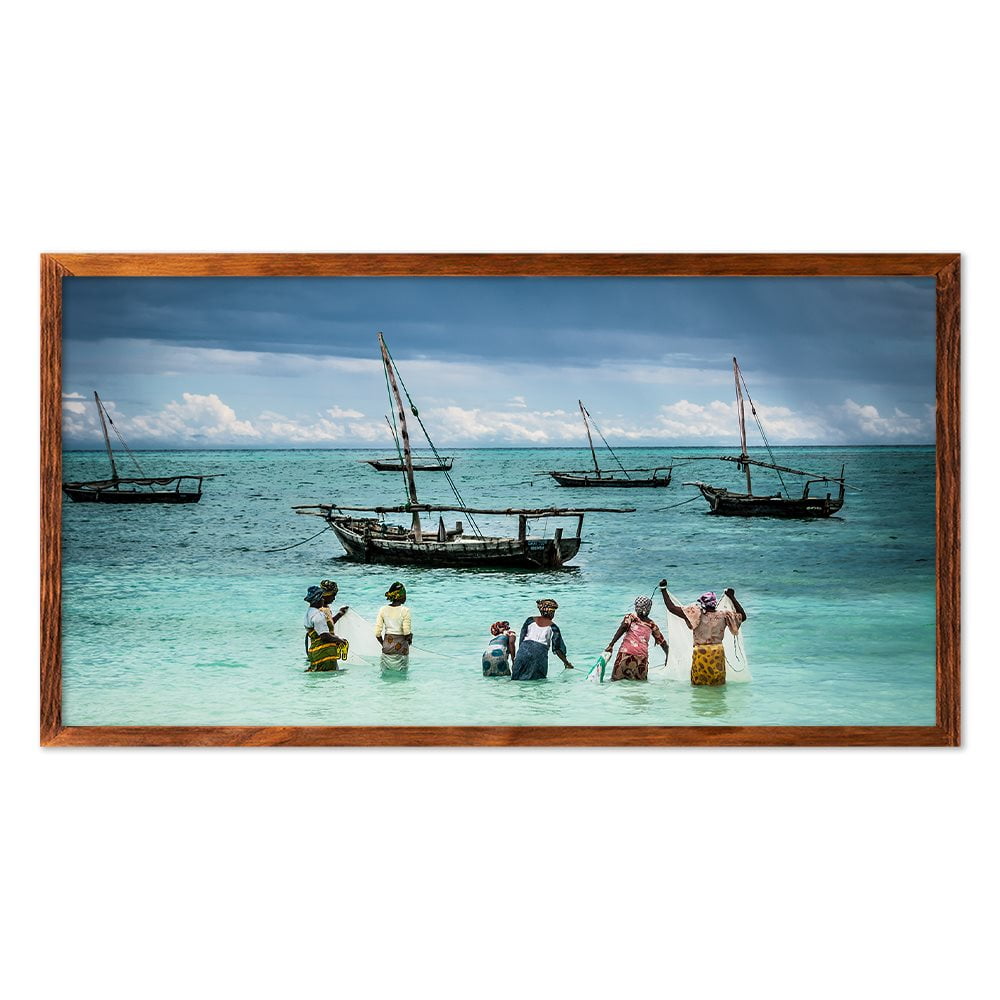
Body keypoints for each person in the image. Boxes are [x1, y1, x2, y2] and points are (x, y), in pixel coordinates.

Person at [659, 579, 747, 686]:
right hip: (717, 654)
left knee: (698, 687)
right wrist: (732, 597)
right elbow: (743, 616)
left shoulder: (696, 615)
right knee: (717, 687)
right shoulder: (724, 616)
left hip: (701, 654)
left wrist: (663, 590)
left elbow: (671, 608)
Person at [604, 595, 669, 681]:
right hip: (641, 659)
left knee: (615, 681)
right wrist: (668, 655)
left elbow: (623, 627)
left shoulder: (631, 617)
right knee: (639, 685)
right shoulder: (652, 625)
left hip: (626, 654)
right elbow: (662, 642)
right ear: (648, 609)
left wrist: (611, 645)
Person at [511, 599, 573, 680]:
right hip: (539, 656)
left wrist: (519, 656)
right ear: (552, 613)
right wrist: (566, 663)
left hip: (523, 651)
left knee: (516, 680)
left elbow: (522, 639)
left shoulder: (529, 620)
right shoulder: (553, 627)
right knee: (537, 684)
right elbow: (558, 649)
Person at [303, 584, 348, 671]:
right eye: (321, 598)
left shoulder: (309, 613)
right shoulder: (318, 615)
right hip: (324, 653)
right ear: (318, 600)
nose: (323, 600)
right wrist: (340, 640)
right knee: (331, 680)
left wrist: (339, 614)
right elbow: (324, 636)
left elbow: (323, 629)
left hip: (315, 652)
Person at [374, 581, 412, 672]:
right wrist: (410, 639)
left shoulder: (383, 610)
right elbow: (406, 632)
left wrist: (384, 644)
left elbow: (377, 633)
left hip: (387, 646)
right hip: (401, 649)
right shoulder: (405, 611)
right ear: (401, 596)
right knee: (402, 677)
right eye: (405, 594)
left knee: (385, 675)